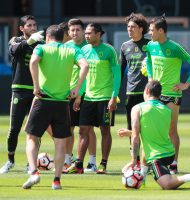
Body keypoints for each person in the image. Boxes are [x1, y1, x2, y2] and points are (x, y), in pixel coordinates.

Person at [22, 25, 89, 189]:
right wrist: (76, 89)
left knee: (31, 137)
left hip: (43, 100)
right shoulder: (71, 50)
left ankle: (34, 172)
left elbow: (33, 62)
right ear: (63, 37)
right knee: (60, 143)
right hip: (62, 103)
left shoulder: (41, 48)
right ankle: (56, 181)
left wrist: (36, 87)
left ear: (47, 37)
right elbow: (85, 65)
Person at [122, 80, 190, 191]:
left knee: (167, 185)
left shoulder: (137, 108)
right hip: (170, 153)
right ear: (160, 95)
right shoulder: (167, 110)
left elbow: (136, 137)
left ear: (146, 90)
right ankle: (142, 176)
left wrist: (133, 161)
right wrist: (130, 132)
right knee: (146, 148)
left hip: (157, 157)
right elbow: (152, 131)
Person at [145, 15, 190, 174]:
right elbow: (148, 61)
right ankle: (154, 162)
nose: (149, 33)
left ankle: (174, 163)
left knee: (171, 130)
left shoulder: (175, 47)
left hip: (171, 94)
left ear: (161, 31)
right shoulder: (150, 46)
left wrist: (186, 84)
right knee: (153, 129)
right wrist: (150, 77)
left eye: (152, 30)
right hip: (154, 94)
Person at [64, 23, 121, 174]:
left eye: (90, 33)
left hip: (105, 98)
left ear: (99, 34)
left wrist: (114, 97)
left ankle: (103, 164)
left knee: (105, 130)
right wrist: (79, 96)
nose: (87, 36)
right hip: (88, 98)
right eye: (86, 33)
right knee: (83, 130)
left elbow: (117, 75)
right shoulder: (84, 50)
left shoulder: (110, 50)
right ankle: (78, 165)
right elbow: (83, 77)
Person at [0, 15, 44, 174]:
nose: (33, 28)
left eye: (34, 25)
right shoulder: (15, 40)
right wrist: (30, 41)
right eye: (29, 25)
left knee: (34, 130)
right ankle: (10, 160)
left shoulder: (41, 43)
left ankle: (30, 164)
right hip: (19, 89)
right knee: (14, 129)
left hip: (36, 90)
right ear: (22, 28)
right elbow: (14, 50)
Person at [64, 18, 97, 172]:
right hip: (69, 92)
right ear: (68, 33)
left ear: (83, 32)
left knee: (88, 129)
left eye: (78, 30)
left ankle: (92, 162)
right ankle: (67, 160)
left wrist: (80, 94)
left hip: (88, 93)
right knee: (68, 127)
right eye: (72, 30)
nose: (75, 32)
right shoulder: (65, 47)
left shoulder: (90, 47)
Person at [119, 13, 150, 166]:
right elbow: (120, 71)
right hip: (131, 93)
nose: (129, 30)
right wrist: (114, 93)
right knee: (132, 128)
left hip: (148, 94)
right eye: (128, 27)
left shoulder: (150, 45)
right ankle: (135, 162)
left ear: (141, 29)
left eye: (133, 27)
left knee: (149, 128)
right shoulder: (125, 46)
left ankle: (148, 161)